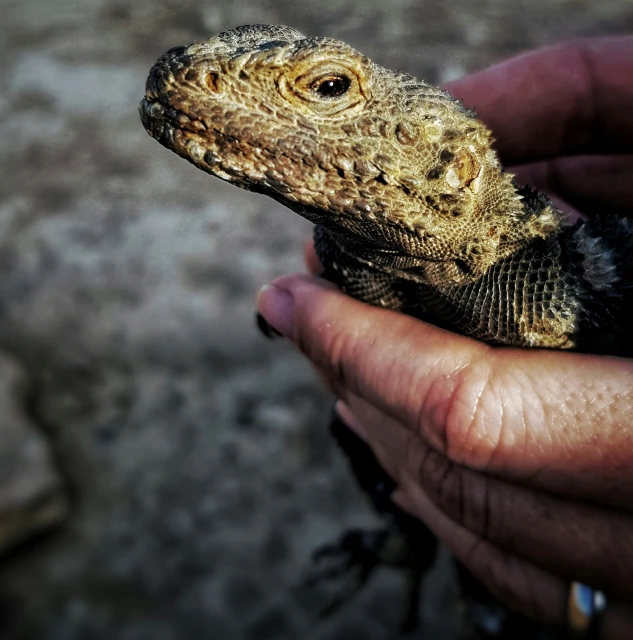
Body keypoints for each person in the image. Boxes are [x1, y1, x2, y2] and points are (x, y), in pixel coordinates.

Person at [257, 37, 633, 638]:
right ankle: (409, 538)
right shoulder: (350, 245)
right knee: (354, 418)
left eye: (328, 89)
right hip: (460, 514)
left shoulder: (560, 279)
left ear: (452, 163)